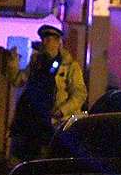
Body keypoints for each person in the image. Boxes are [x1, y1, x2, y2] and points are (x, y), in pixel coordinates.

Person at [8, 24, 87, 162]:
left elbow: (79, 94)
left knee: (47, 156)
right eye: (43, 39)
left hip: (53, 121)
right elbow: (18, 81)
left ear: (58, 42)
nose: (45, 43)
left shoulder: (69, 66)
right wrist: (13, 63)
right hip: (32, 120)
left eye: (49, 39)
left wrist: (62, 110)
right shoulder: (36, 63)